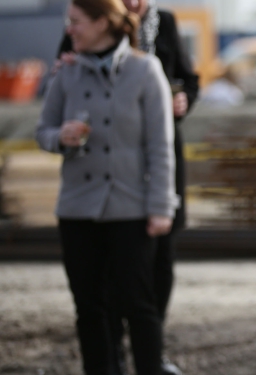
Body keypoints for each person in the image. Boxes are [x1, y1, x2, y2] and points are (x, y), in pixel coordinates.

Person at [35, 0, 177, 374]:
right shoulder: (65, 74)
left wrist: (162, 206)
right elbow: (42, 130)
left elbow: (160, 147)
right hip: (78, 208)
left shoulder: (146, 71)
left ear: (101, 23)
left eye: (76, 21)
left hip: (131, 207)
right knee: (89, 308)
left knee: (138, 305)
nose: (70, 29)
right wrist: (60, 138)